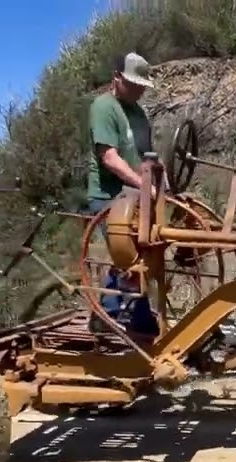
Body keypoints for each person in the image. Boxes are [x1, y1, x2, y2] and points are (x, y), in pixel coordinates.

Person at [84, 52, 159, 340]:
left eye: (142, 85)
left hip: (133, 195)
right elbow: (110, 158)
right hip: (108, 195)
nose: (140, 90)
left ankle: (111, 310)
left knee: (141, 254)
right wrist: (142, 185)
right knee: (128, 256)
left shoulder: (139, 113)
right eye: (134, 84)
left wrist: (155, 182)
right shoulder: (104, 107)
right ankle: (131, 318)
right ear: (117, 78)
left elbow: (143, 156)